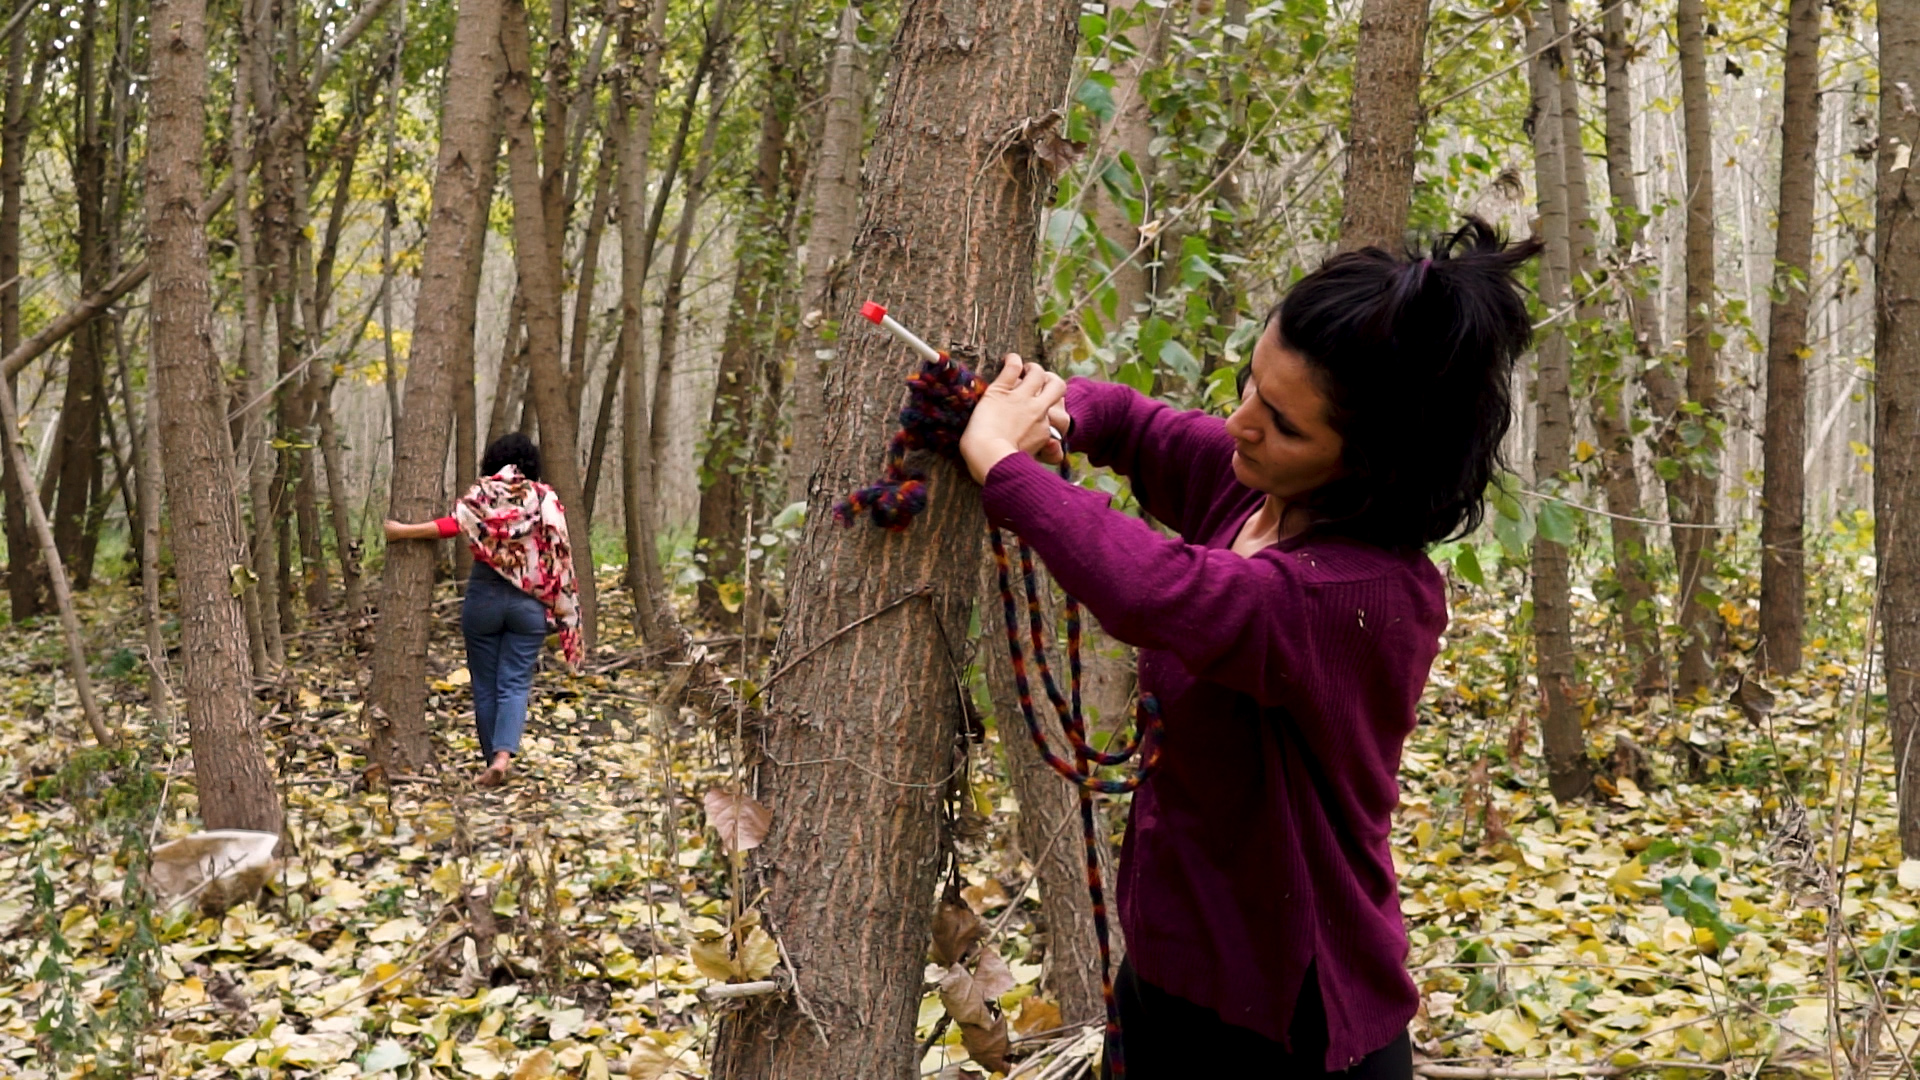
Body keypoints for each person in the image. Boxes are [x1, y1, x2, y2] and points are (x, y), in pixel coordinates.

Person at [956, 218, 1542, 1077]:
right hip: (1171, 975)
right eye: (1249, 388)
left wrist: (1002, 465)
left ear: (1371, 463)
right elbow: (1137, 425)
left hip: (1292, 1024)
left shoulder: (1357, 596)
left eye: (1283, 424)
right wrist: (1058, 410)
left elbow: (1159, 590)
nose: (1238, 424)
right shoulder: (1252, 493)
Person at [384, 433, 583, 787]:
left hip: (484, 599)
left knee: (485, 684)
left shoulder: (483, 494)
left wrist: (402, 532)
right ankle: (504, 757)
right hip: (528, 604)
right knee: (515, 682)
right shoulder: (544, 498)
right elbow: (560, 549)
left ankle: (491, 758)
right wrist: (561, 605)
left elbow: (452, 525)